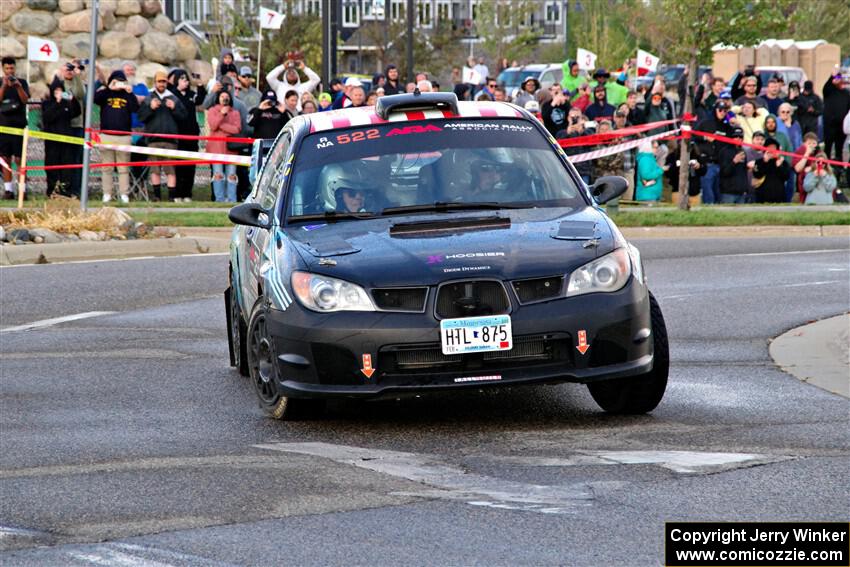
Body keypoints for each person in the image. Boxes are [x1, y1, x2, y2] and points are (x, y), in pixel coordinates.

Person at [137, 71, 187, 201]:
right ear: (155, 83)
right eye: (159, 81)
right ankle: (157, 197)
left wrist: (174, 108)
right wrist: (150, 108)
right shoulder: (149, 98)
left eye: (164, 81)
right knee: (155, 170)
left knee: (170, 170)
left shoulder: (174, 98)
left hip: (170, 140)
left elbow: (184, 117)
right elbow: (141, 117)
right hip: (153, 140)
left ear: (167, 83)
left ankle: (171, 198)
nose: (161, 84)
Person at [94, 69, 138, 203]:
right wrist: (109, 87)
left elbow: (135, 108)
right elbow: (95, 99)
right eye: (116, 81)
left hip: (124, 136)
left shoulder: (127, 95)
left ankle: (124, 194)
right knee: (106, 167)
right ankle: (107, 193)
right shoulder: (105, 93)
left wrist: (130, 93)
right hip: (106, 135)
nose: (119, 84)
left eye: (121, 81)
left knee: (123, 167)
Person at [168, 69, 206, 202]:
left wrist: (200, 85)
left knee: (190, 165)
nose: (186, 81)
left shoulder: (191, 94)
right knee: (178, 165)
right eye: (182, 79)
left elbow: (201, 100)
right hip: (178, 135)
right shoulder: (172, 94)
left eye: (187, 79)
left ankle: (187, 193)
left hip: (192, 134)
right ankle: (178, 193)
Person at [41, 77, 81, 197]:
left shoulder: (67, 104)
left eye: (60, 90)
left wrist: (72, 99)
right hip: (52, 141)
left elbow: (76, 112)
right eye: (56, 91)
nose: (58, 93)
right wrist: (57, 103)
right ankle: (52, 190)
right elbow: (47, 117)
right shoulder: (47, 103)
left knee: (67, 167)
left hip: (66, 140)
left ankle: (66, 191)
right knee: (52, 166)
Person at [0, 56, 30, 200]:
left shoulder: (22, 82)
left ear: (15, 68)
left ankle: (22, 190)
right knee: (5, 159)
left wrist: (18, 86)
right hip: (4, 127)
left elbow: (25, 100)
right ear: (3, 69)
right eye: (7, 68)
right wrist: (4, 86)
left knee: (20, 159)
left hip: (18, 126)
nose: (9, 71)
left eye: (12, 68)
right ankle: (8, 190)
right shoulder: (1, 83)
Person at [696, 100, 735, 204]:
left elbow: (734, 142)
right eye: (720, 110)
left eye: (725, 111)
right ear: (715, 110)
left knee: (718, 192)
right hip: (708, 162)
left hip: (722, 164)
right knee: (708, 192)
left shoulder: (728, 128)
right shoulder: (705, 123)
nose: (722, 112)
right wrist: (705, 137)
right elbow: (692, 135)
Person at [205, 90, 241, 202]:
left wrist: (221, 126)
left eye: (227, 96)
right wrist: (221, 114)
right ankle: (219, 200)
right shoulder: (212, 110)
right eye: (222, 96)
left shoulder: (235, 112)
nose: (224, 98)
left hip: (231, 149)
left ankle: (232, 200)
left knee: (231, 175)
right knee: (218, 175)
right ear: (218, 98)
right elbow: (213, 125)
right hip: (216, 149)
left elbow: (236, 129)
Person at [822, 73, 850, 185]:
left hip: (841, 127)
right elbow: (826, 87)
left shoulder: (847, 94)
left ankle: (839, 172)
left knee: (839, 150)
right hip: (829, 125)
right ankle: (825, 167)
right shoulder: (829, 92)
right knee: (827, 147)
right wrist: (831, 78)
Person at [556, 109, 593, 185]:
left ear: (581, 118)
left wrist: (582, 132)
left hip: (584, 171)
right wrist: (567, 133)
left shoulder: (588, 131)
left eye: (577, 117)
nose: (575, 119)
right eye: (573, 117)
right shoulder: (561, 133)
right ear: (568, 118)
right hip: (567, 170)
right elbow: (557, 147)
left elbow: (593, 143)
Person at [752, 137, 790, 203]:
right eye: (769, 147)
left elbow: (786, 177)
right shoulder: (759, 162)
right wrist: (764, 162)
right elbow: (757, 175)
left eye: (773, 147)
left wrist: (779, 167)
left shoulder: (782, 162)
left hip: (779, 197)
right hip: (762, 198)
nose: (771, 150)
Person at [717, 127, 750, 204]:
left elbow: (744, 173)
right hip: (728, 193)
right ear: (731, 137)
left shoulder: (743, 151)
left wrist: (745, 189)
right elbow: (724, 172)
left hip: (741, 192)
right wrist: (734, 161)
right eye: (735, 137)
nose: (738, 139)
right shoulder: (724, 151)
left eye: (740, 137)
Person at [792, 132, 821, 203]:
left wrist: (812, 168)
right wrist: (807, 154)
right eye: (809, 143)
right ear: (804, 144)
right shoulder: (799, 152)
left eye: (814, 143)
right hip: (803, 183)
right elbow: (797, 169)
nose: (811, 146)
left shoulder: (819, 153)